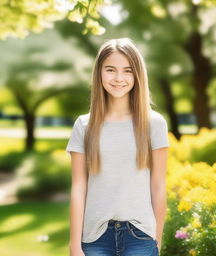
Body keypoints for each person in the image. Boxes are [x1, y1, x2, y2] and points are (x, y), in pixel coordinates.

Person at [66, 38, 170, 256]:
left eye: (127, 71)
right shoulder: (84, 125)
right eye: (110, 70)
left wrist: (156, 241)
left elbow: (158, 185)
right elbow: (79, 187)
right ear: (99, 73)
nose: (119, 78)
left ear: (137, 75)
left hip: (140, 236)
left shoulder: (154, 123)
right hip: (94, 237)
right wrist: (75, 246)